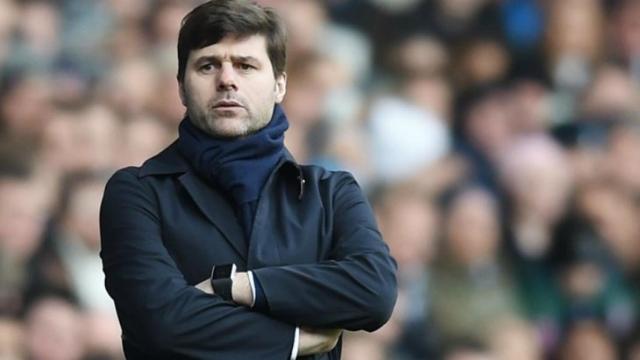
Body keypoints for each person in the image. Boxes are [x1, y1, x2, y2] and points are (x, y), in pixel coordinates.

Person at [98, 1, 398, 359]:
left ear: (280, 85)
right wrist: (295, 341)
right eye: (208, 65)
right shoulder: (137, 192)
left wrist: (238, 286)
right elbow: (159, 322)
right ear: (181, 87)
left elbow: (374, 292)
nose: (227, 79)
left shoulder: (331, 194)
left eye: (246, 65)